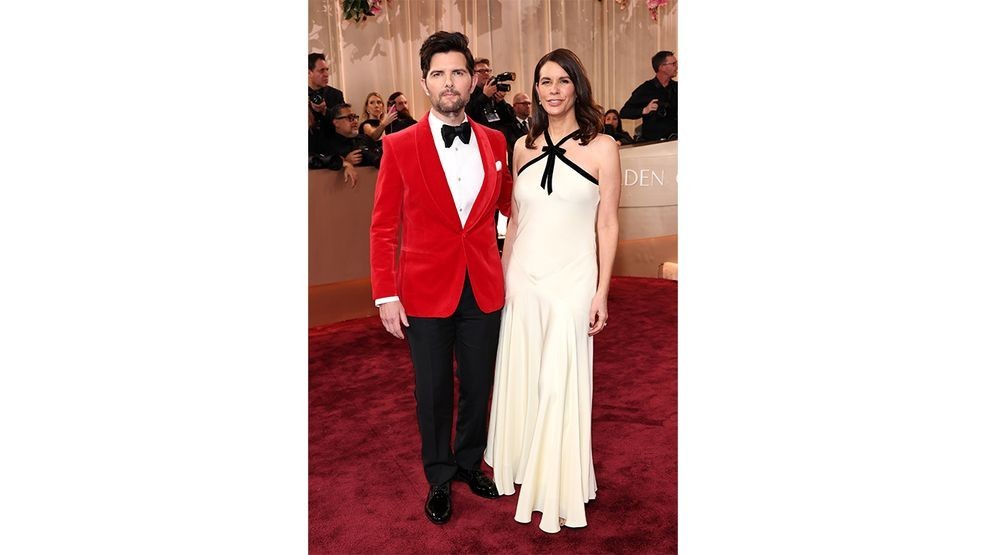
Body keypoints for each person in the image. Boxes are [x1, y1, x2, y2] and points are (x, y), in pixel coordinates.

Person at [369, 30, 514, 526]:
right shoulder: (399, 145)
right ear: (425, 82)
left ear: (472, 80)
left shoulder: (496, 141)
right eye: (438, 74)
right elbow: (384, 225)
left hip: (483, 284)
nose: (449, 82)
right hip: (423, 290)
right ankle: (437, 475)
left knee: (478, 383)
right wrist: (386, 293)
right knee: (431, 390)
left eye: (457, 72)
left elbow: (504, 210)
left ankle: (470, 461)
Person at [484, 47, 621, 534]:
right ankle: (522, 463)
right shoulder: (520, 146)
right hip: (525, 274)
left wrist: (602, 290)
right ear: (536, 90)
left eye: (563, 80)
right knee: (524, 370)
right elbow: (514, 223)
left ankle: (558, 479)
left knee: (559, 378)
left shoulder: (603, 146)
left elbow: (607, 221)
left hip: (574, 276)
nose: (554, 89)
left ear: (576, 87)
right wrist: (503, 281)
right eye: (545, 81)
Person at [619, 50, 678, 142]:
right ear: (662, 67)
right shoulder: (645, 89)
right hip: (652, 145)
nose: (677, 66)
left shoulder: (677, 87)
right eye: (673, 63)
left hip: (675, 143)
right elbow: (624, 112)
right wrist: (644, 110)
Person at [321, 103, 382, 168]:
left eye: (355, 117)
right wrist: (344, 162)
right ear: (336, 123)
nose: (355, 121)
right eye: (350, 118)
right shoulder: (329, 145)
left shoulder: (365, 138)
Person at [465, 58, 515, 137]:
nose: (486, 73)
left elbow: (510, 120)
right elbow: (469, 115)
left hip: (497, 137)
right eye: (481, 71)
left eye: (488, 71)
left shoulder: (493, 92)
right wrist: (485, 96)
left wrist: (501, 102)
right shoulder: (467, 93)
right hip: (479, 138)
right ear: (472, 75)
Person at [308, 53, 345, 136]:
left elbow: (344, 125)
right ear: (309, 72)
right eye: (321, 70)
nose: (326, 74)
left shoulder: (336, 95)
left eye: (327, 70)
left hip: (333, 146)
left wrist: (325, 111)